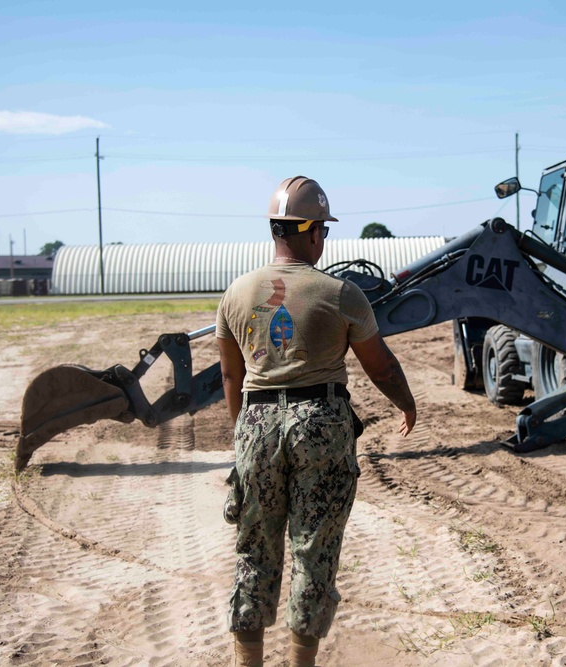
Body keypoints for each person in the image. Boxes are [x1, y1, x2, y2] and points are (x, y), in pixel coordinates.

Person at [215, 176, 417, 667]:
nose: (322, 240)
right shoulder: (342, 294)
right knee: (313, 548)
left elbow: (229, 373)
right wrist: (406, 402)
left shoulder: (236, 293)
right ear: (309, 233)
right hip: (320, 422)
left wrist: (244, 431)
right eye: (321, 231)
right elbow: (381, 365)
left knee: (255, 548)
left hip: (257, 421)